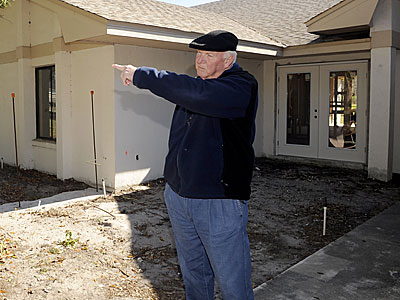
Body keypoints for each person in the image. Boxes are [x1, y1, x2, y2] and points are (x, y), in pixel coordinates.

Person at [113, 30, 258, 300]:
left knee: (232, 282)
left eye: (208, 55)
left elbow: (199, 94)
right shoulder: (198, 87)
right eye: (198, 54)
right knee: (194, 274)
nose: (200, 60)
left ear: (228, 61)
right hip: (179, 196)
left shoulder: (240, 87)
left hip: (218, 201)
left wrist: (142, 75)